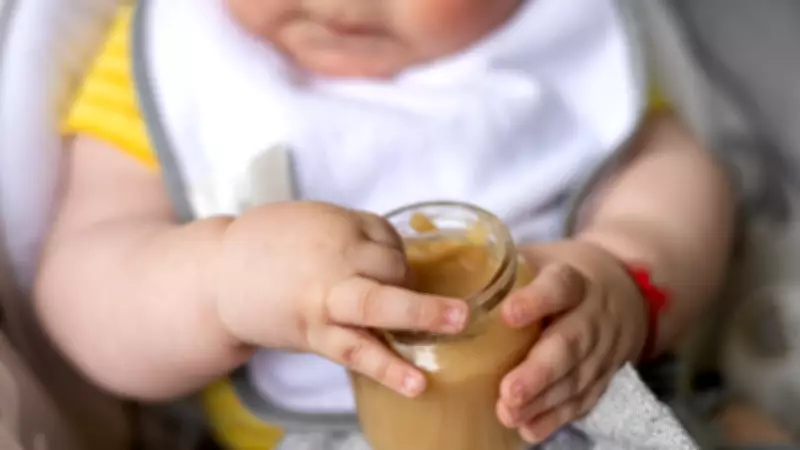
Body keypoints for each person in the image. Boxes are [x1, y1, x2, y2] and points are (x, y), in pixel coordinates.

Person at [36, 0, 734, 448]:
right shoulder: (182, 61)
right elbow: (82, 286)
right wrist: (224, 278)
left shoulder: (551, 37)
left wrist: (623, 274)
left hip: (572, 412)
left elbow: (674, 181)